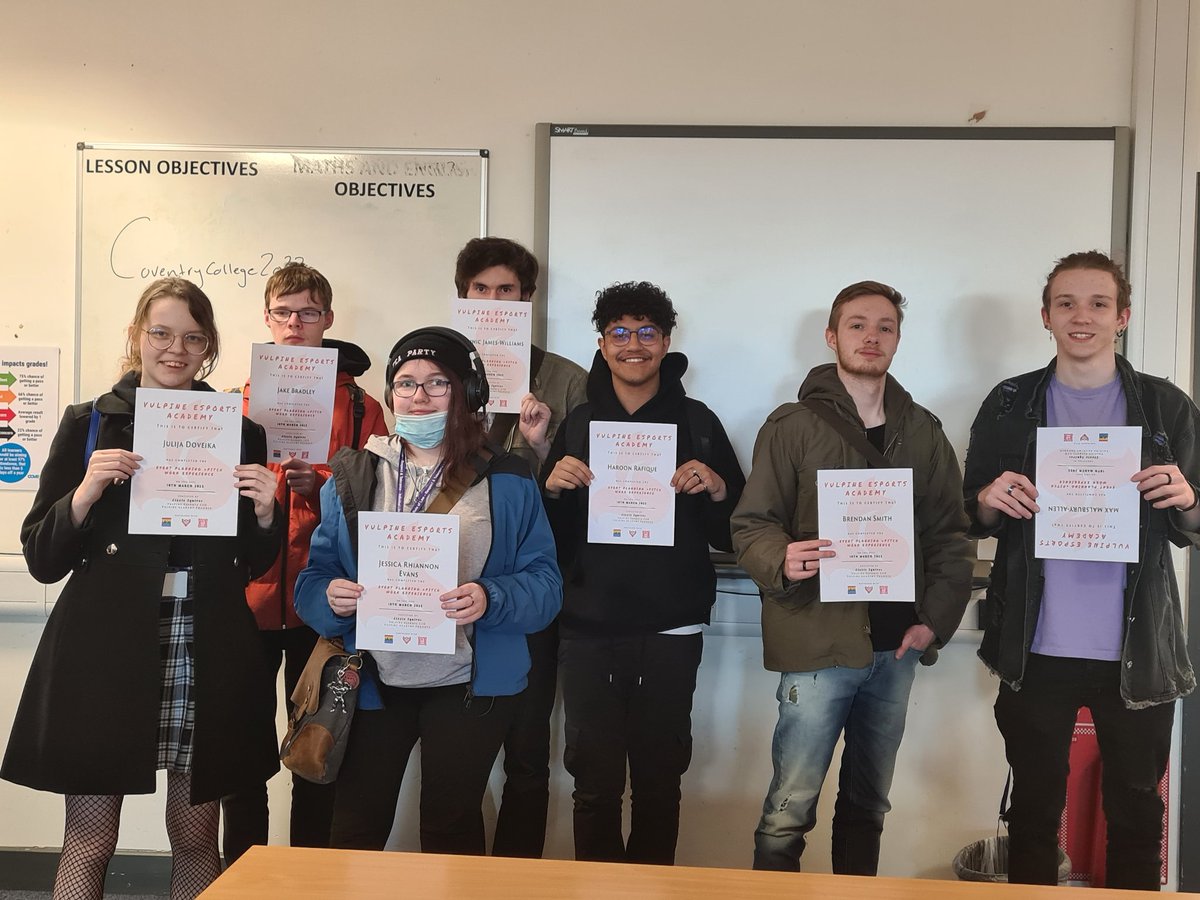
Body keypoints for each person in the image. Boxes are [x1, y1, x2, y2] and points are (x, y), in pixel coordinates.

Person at [1, 278, 281, 900]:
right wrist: (84, 493)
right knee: (91, 839)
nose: (175, 349)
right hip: (107, 639)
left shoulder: (236, 430)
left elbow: (253, 564)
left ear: (207, 347)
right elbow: (44, 558)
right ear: (135, 336)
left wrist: (265, 514)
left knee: (195, 837)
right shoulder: (91, 422)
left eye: (192, 337)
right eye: (161, 332)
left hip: (204, 633)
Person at [963, 250, 1200, 890]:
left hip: (1137, 650)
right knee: (1034, 815)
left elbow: (1196, 520)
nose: (1081, 316)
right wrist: (987, 502)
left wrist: (1190, 500)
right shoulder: (1010, 402)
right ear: (1046, 316)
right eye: (1066, 303)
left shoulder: (1165, 407)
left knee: (1135, 814)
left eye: (1098, 303)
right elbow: (969, 512)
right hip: (1034, 649)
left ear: (1122, 316)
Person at [731, 280, 972, 875]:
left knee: (869, 806)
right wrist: (781, 557)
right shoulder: (790, 426)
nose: (872, 336)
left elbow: (951, 535)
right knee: (789, 810)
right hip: (816, 644)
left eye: (885, 326)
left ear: (897, 339)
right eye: (858, 325)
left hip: (895, 648)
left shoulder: (923, 430)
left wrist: (934, 624)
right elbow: (751, 523)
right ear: (832, 336)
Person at [293, 326, 562, 854]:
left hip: (466, 684)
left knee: (451, 829)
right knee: (355, 829)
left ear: (469, 394)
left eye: (439, 383)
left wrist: (491, 597)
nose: (419, 396)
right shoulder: (353, 474)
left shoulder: (507, 478)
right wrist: (330, 598)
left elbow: (546, 586)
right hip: (373, 681)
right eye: (406, 383)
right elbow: (312, 579)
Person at [541, 281, 745, 865]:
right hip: (585, 626)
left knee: (660, 781)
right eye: (620, 333)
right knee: (594, 784)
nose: (634, 345)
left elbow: (733, 531)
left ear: (666, 341)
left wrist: (718, 487)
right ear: (602, 344)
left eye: (647, 333)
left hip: (670, 626)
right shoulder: (577, 421)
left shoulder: (699, 422)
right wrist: (550, 490)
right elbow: (549, 545)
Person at [221, 262, 387, 863]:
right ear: (266, 320)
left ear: (329, 320)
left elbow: (380, 504)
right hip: (247, 599)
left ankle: (309, 876)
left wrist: (319, 490)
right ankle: (247, 873)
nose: (295, 324)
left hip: (324, 606)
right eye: (283, 312)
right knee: (242, 753)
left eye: (308, 312)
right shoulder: (232, 404)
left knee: (319, 749)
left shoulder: (363, 406)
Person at [454, 237, 587, 857]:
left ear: (527, 299)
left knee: (528, 751)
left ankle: (517, 880)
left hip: (529, 589)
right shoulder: (436, 371)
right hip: (447, 583)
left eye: (506, 290)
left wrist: (537, 454)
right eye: (480, 289)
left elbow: (588, 491)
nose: (493, 300)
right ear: (463, 296)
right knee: (455, 755)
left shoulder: (567, 380)